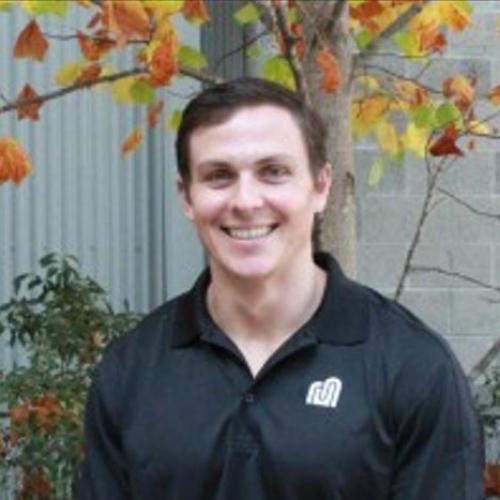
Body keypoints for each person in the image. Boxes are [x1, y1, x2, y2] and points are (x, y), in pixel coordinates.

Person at [78, 77, 485, 499]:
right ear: (186, 196)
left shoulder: (413, 366)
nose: (246, 201)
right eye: (219, 176)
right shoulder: (131, 369)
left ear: (321, 186)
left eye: (273, 172)